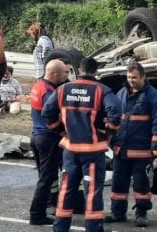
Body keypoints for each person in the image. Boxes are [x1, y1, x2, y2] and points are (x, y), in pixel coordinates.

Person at [41, 57, 117, 232]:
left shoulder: (63, 89)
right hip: (92, 151)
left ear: (79, 70)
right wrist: (108, 134)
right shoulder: (102, 90)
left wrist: (61, 131)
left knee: (67, 189)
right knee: (92, 191)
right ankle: (93, 228)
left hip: (70, 149)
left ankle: (60, 227)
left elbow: (46, 113)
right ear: (95, 72)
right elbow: (115, 116)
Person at [105, 61, 157, 227]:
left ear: (143, 77)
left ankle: (141, 213)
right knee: (118, 184)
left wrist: (156, 149)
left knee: (141, 185)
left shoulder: (153, 96)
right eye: (129, 77)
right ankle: (117, 213)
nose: (131, 80)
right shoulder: (121, 93)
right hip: (121, 150)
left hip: (141, 151)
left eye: (135, 77)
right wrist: (110, 139)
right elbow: (115, 117)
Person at [28, 59, 70, 225]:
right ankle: (37, 214)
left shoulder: (38, 86)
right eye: (62, 74)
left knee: (44, 177)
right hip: (48, 138)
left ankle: (41, 210)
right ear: (54, 74)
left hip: (37, 136)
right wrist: (64, 131)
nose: (64, 77)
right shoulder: (49, 91)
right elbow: (51, 115)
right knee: (46, 179)